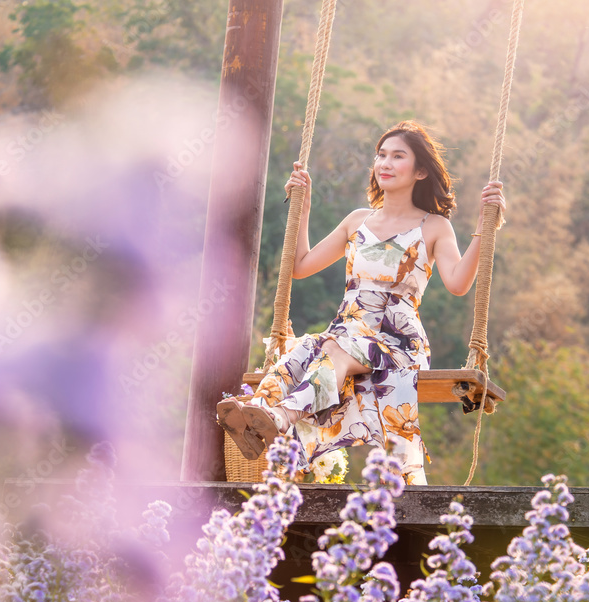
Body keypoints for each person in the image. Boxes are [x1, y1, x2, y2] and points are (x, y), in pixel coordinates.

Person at [217, 120, 506, 484]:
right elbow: (301, 266)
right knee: (306, 348)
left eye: (397, 156)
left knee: (333, 350)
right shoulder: (358, 221)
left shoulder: (434, 227)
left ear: (420, 171)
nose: (384, 162)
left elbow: (459, 283)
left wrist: (484, 227)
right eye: (381, 155)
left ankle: (279, 418)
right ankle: (257, 413)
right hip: (346, 333)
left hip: (397, 343)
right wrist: (301, 210)